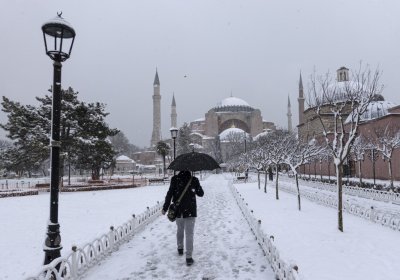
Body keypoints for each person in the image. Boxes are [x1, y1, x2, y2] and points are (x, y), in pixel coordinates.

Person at [162, 170, 204, 266]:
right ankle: (188, 257)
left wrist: (165, 208)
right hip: (190, 211)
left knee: (180, 229)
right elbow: (201, 193)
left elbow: (169, 194)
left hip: (178, 211)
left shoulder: (175, 179)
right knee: (189, 234)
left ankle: (180, 248)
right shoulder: (194, 180)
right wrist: (196, 186)